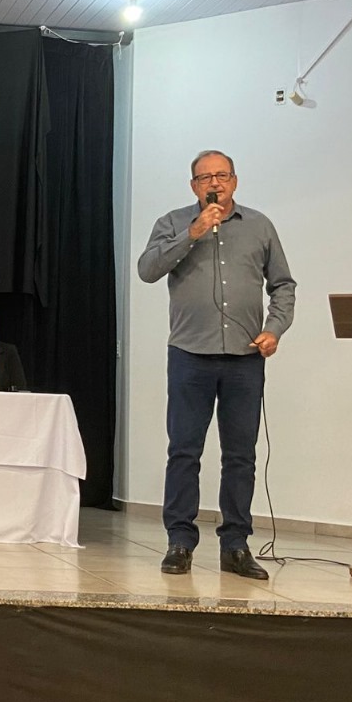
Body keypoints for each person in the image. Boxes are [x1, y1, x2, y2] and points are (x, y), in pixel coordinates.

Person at [137, 150, 295, 580]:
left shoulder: (260, 226)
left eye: (222, 175)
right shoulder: (173, 222)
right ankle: (179, 542)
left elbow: (283, 285)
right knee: (184, 451)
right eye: (205, 177)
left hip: (245, 358)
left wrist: (275, 329)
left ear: (235, 181)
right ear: (193, 186)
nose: (215, 183)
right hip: (189, 354)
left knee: (241, 455)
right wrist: (193, 232)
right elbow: (147, 269)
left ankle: (236, 545)